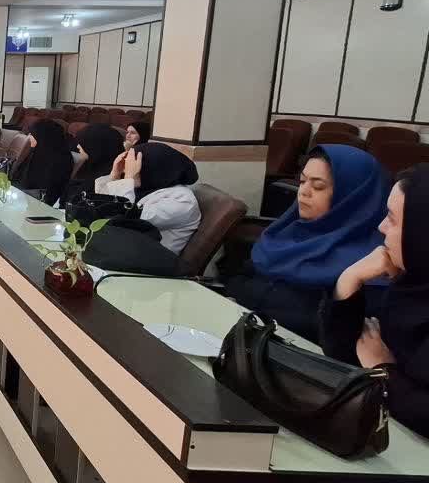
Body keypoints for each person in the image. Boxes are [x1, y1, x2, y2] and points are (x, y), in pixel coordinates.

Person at [226, 146, 389, 341]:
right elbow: (239, 278)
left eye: (318, 186)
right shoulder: (285, 232)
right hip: (240, 334)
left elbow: (332, 333)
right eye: (302, 181)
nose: (303, 192)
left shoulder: (371, 266)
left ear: (352, 196)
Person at [321, 165, 429, 439]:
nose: (381, 227)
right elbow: (345, 352)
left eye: (392, 218)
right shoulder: (411, 288)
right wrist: (350, 279)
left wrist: (383, 371)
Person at [96, 142, 201, 254]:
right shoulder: (148, 189)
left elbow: (125, 221)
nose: (127, 171)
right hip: (128, 250)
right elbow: (103, 212)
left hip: (150, 259)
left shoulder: (183, 201)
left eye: (135, 167)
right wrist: (115, 176)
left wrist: (129, 179)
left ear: (153, 169)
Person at [12, 119, 74, 206]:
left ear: (43, 137)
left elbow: (49, 191)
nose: (29, 137)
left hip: (41, 204)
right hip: (25, 198)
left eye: (33, 135)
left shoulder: (60, 159)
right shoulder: (38, 152)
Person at [65, 123, 125, 203]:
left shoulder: (111, 180)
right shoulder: (87, 169)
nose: (78, 146)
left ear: (96, 147)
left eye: (83, 143)